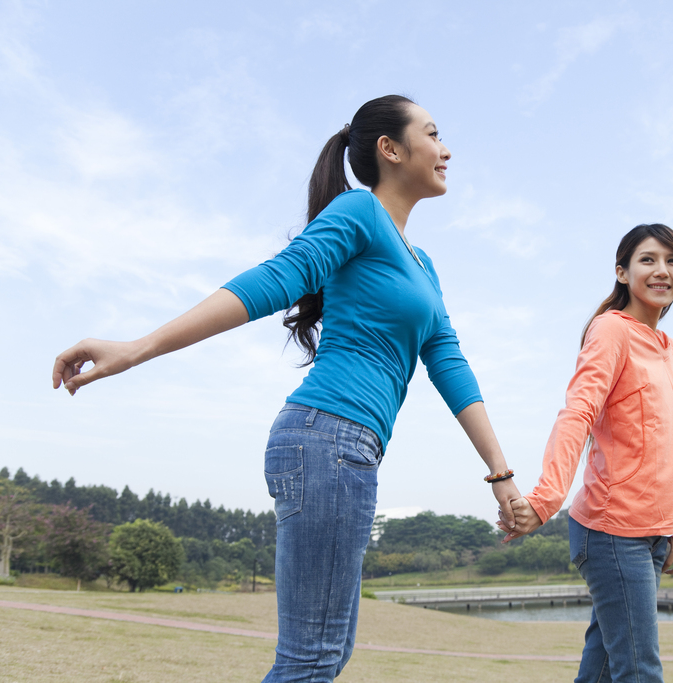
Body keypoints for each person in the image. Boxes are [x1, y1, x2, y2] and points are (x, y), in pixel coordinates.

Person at [52, 95, 520, 682]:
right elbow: (281, 276)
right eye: (433, 134)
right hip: (326, 440)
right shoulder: (359, 212)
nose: (446, 148)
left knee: (325, 656)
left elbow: (449, 364)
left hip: (349, 449)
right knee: (311, 660)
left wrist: (501, 477)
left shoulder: (421, 264)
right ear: (391, 149)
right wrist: (140, 346)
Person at [502, 224, 673, 683]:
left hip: (654, 534)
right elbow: (578, 413)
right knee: (640, 670)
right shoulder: (611, 330)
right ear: (622, 272)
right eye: (647, 260)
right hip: (612, 531)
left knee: (605, 667)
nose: (661, 270)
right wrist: (545, 498)